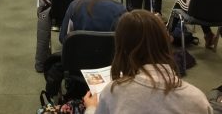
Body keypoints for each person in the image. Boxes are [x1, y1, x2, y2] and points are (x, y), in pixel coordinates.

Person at [83, 10, 212, 114]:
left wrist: (91, 108)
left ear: (122, 50)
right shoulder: (198, 100)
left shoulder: (113, 93)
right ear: (166, 44)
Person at [59, 0, 126, 43]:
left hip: (79, 52)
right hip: (111, 53)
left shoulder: (74, 6)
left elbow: (64, 38)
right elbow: (125, 41)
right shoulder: (120, 8)